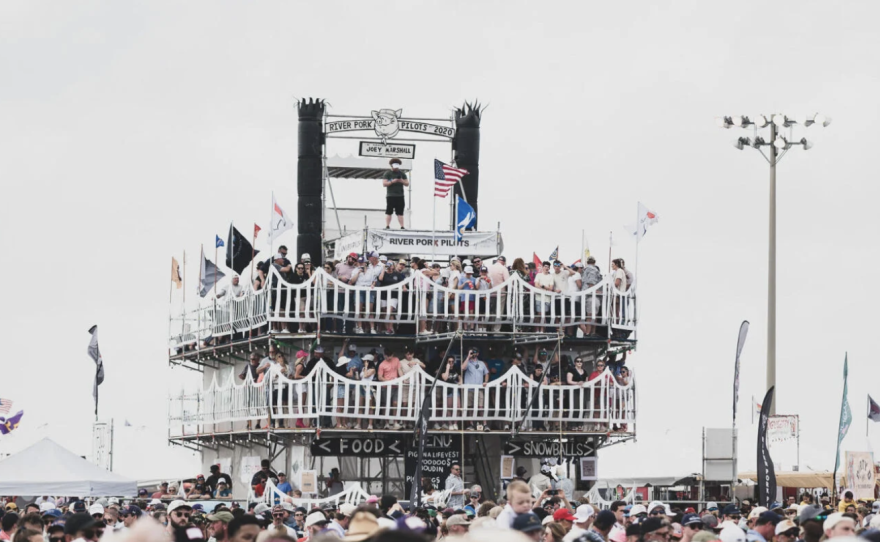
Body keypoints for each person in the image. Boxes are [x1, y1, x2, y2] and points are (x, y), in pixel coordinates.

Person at [461, 347, 490, 431]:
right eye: (472, 352)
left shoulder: (481, 363)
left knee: (481, 407)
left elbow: (486, 373)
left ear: (478, 353)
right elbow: (462, 368)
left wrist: (485, 381)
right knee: (470, 407)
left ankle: (485, 424)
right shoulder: (467, 362)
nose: (474, 353)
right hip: (469, 389)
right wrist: (468, 357)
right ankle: (471, 425)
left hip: (479, 389)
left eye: (475, 352)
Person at [382, 158, 409, 229]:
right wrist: (392, 181)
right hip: (391, 195)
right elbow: (384, 184)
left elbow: (407, 183)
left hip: (400, 195)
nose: (396, 168)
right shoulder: (387, 173)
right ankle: (387, 225)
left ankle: (402, 226)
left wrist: (401, 181)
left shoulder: (402, 174)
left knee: (400, 212)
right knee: (389, 211)